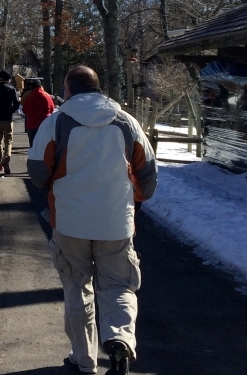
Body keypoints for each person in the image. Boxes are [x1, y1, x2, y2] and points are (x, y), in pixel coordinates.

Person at [28, 66, 157, 375]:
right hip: (115, 222)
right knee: (119, 285)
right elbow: (148, 174)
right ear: (99, 88)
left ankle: (84, 359)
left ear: (69, 89)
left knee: (76, 284)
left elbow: (37, 172)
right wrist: (134, 200)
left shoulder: (55, 122)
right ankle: (119, 339)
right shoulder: (127, 122)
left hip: (70, 221)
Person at [21, 78, 55, 146]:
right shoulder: (47, 96)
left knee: (33, 147)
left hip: (32, 125)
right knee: (45, 148)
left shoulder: (30, 97)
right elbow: (52, 109)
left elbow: (25, 110)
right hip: (45, 124)